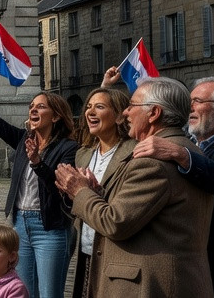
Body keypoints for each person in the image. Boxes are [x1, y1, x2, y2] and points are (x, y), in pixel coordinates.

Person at [55, 77, 213, 298]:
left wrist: (80, 191)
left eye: (132, 106)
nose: (126, 113)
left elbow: (116, 222)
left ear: (154, 113)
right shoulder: (182, 149)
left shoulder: (153, 160)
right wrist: (96, 193)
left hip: (150, 283)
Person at [127, 76, 214, 298]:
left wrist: (180, 154)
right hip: (193, 265)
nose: (189, 107)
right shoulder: (193, 141)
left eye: (197, 101)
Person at [0, 58, 77, 298]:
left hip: (50, 227)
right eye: (32, 105)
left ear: (56, 116)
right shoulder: (23, 140)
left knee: (49, 293)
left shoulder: (67, 148)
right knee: (24, 292)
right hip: (20, 223)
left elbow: (60, 187)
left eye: (41, 107)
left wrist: (38, 163)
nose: (33, 109)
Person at [62, 87, 133, 298]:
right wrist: (68, 193)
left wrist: (91, 192)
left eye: (100, 107)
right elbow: (77, 208)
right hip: (86, 251)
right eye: (89, 107)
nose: (90, 112)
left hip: (116, 254)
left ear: (120, 115)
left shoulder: (133, 153)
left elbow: (123, 210)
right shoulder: (83, 155)